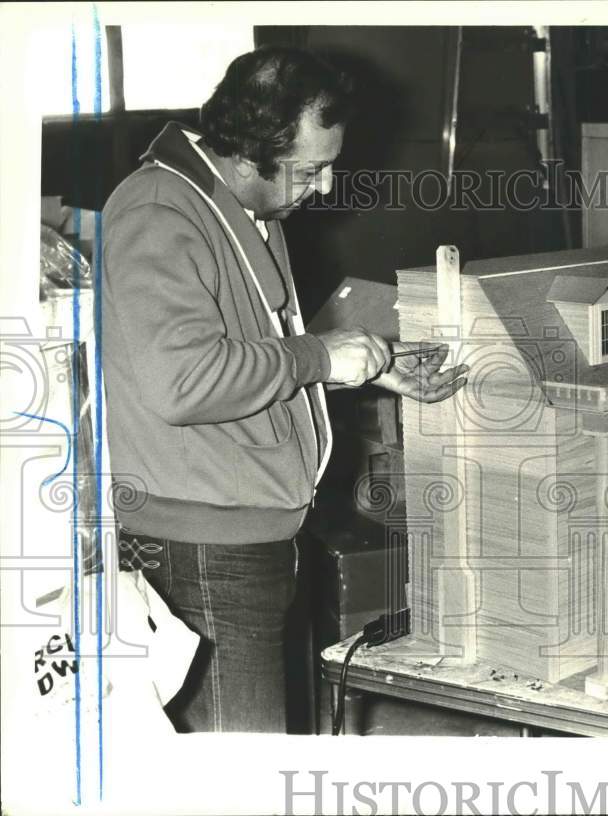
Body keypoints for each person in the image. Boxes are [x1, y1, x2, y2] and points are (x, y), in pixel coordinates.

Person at [102, 45, 467, 733]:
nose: (325, 188)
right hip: (202, 547)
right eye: (311, 170)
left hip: (253, 534)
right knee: (241, 775)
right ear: (248, 154)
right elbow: (182, 380)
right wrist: (323, 359)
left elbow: (258, 352)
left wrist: (375, 363)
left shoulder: (242, 206)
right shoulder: (160, 213)